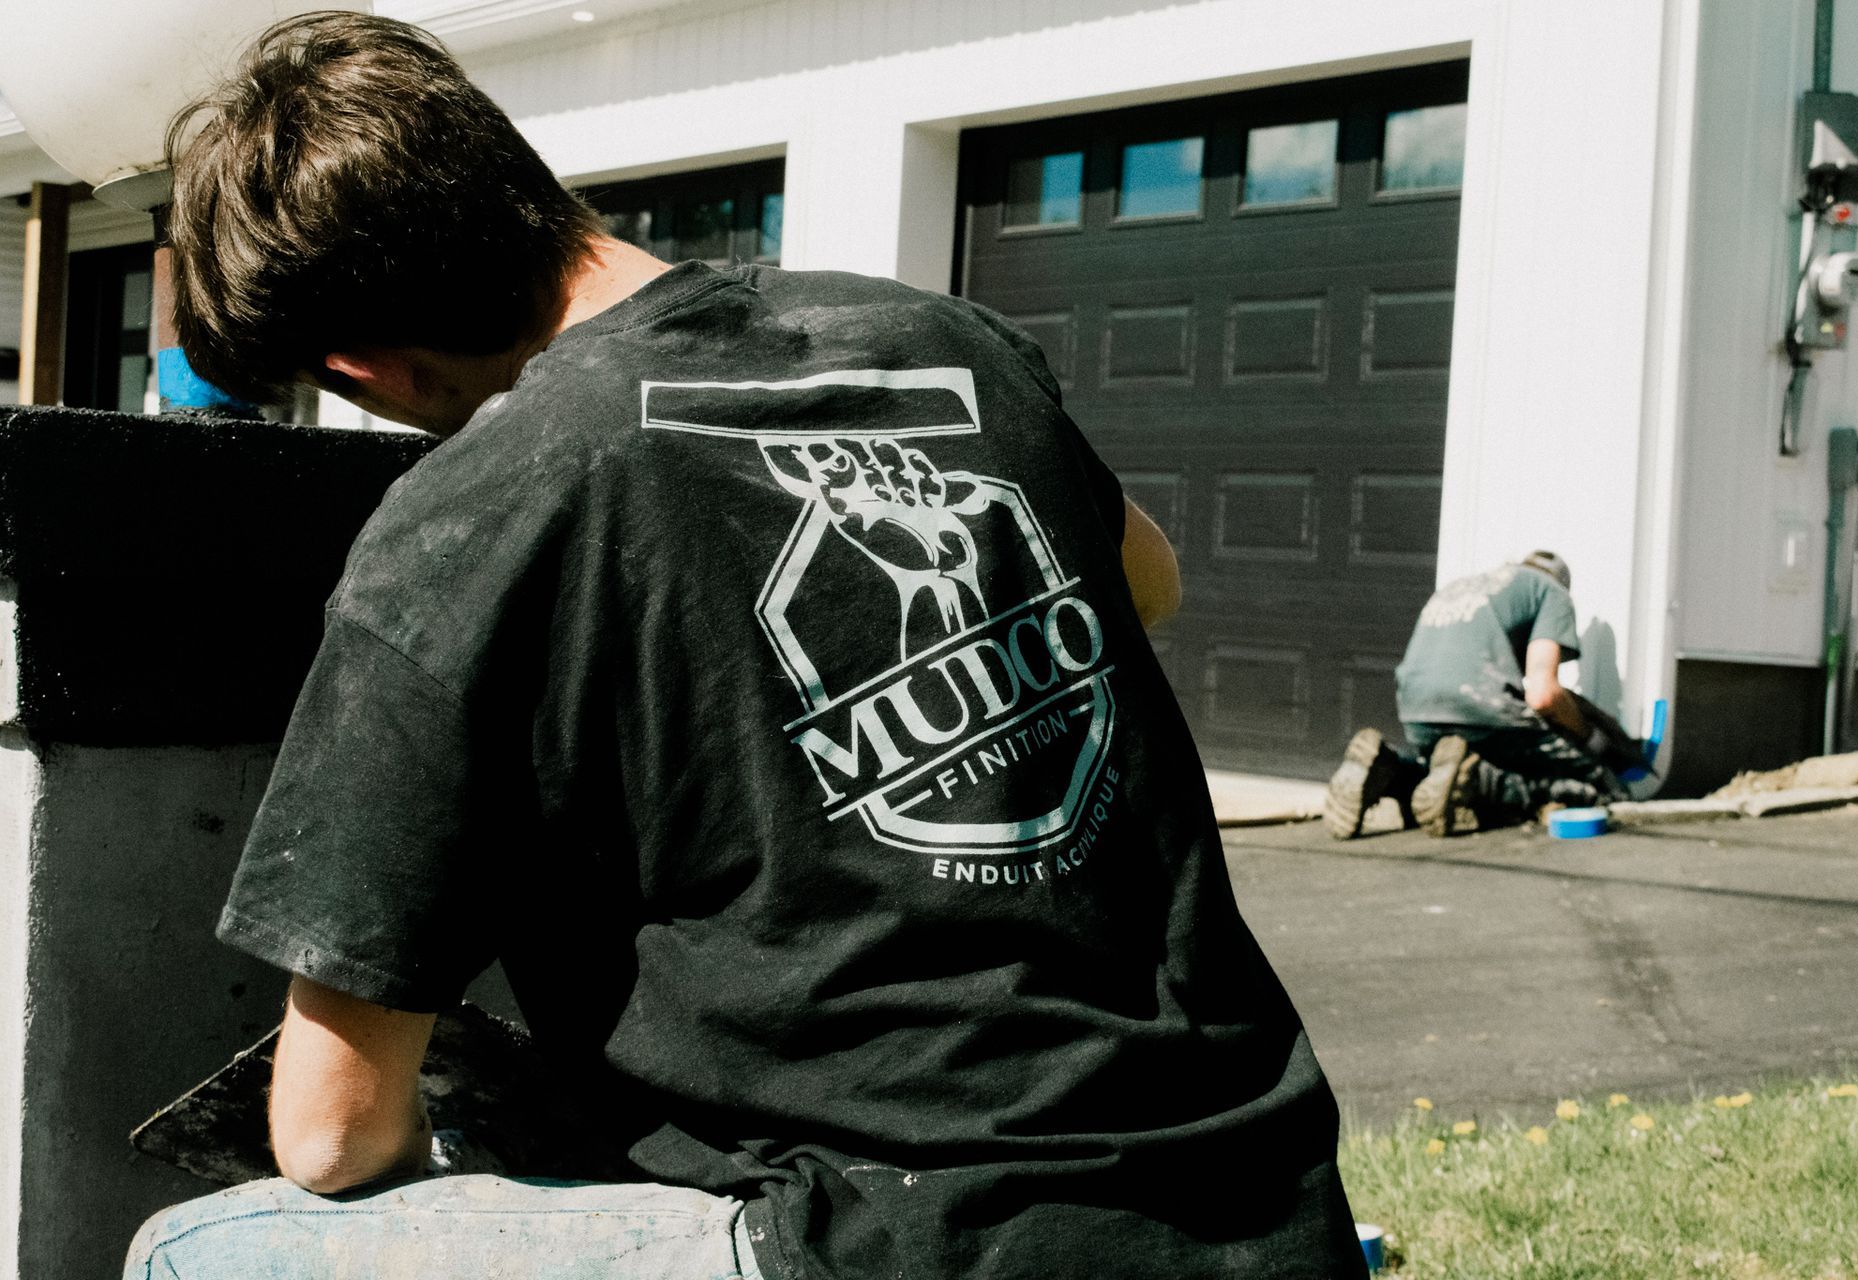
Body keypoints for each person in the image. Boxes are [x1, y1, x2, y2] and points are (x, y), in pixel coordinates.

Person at [125, 13, 1367, 1279]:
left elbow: (331, 1132)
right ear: (515, 181)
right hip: (1252, 1197)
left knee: (202, 1249)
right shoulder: (945, 342)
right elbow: (1150, 583)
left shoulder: (471, 517)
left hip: (894, 1242)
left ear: (358, 364)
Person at [1323, 552, 1635, 839]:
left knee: (1439, 771)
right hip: (1483, 706)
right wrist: (1592, 739)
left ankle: (1388, 769)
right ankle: (1477, 785)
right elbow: (1544, 695)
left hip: (1416, 708)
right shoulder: (1550, 590)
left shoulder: (1463, 586)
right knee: (1585, 784)